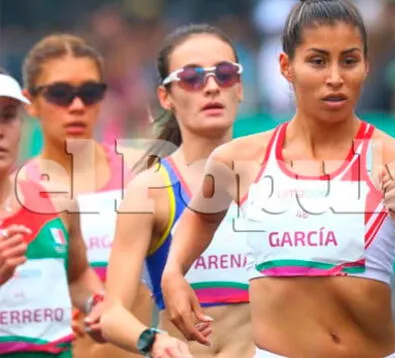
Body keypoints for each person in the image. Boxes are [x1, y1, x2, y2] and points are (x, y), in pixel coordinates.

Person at [161, 0, 395, 357]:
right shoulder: (237, 160)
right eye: (317, 61)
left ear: (366, 66)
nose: (335, 78)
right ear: (286, 66)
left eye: (349, 61)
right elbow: (200, 219)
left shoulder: (394, 159)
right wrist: (173, 272)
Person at [101, 24, 254, 358]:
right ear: (165, 96)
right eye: (192, 77)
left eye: (225, 74)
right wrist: (153, 341)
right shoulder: (149, 191)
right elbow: (112, 315)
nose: (212, 87)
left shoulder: (274, 177)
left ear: (239, 87)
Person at [16, 34, 154, 358]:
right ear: (30, 103)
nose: (77, 106)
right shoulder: (14, 193)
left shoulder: (142, 173)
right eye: (59, 94)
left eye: (90, 93)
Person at [0, 70, 106, 357]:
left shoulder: (59, 203)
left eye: (8, 116)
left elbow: (78, 275)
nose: (0, 130)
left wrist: (97, 304)